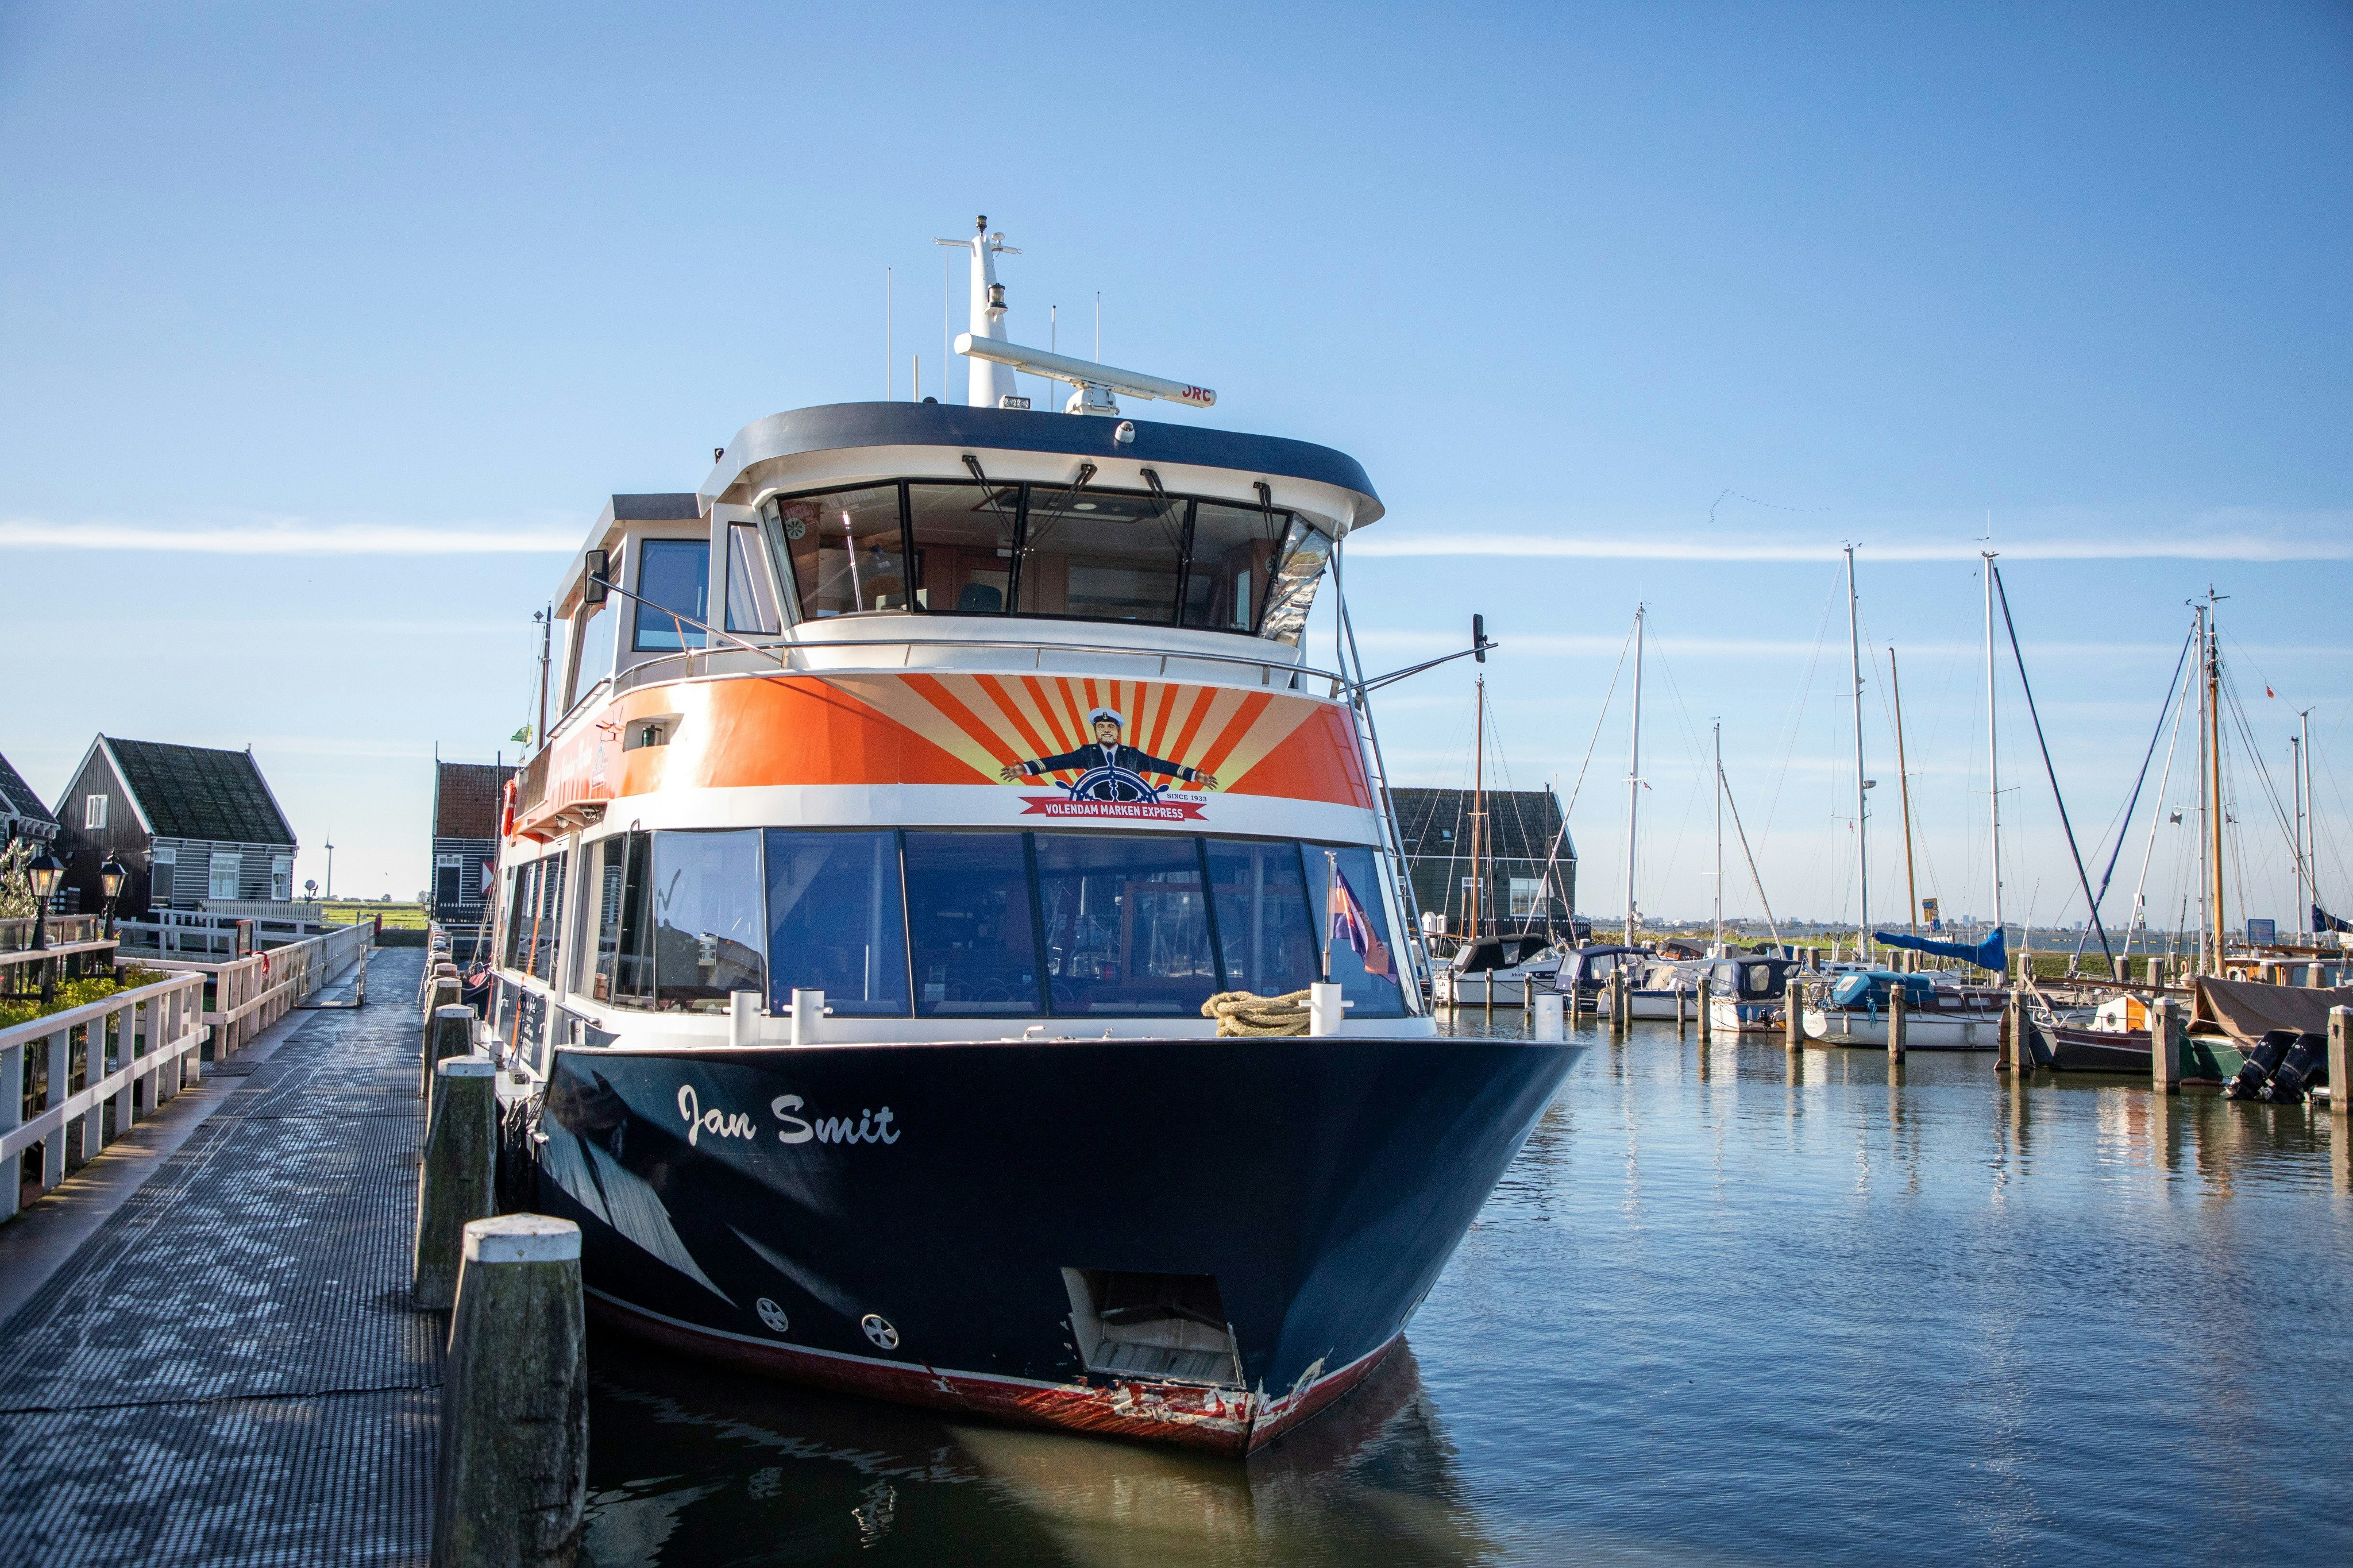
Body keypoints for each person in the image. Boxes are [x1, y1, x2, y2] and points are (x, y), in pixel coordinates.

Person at [1000, 708, 1218, 791]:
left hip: (1134, 810)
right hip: (1099, 812)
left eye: (1110, 727)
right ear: (1096, 731)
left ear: (1118, 732)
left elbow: (1162, 766)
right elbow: (1059, 761)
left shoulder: (1132, 755)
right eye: (1101, 727)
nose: (1106, 731)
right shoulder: (1088, 753)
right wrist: (1027, 769)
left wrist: (1193, 775)